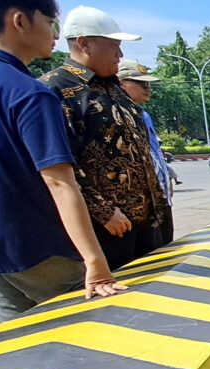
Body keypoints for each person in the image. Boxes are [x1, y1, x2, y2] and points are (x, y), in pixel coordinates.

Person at [0, 0, 125, 323]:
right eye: (49, 22)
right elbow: (59, 183)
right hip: (43, 252)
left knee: (19, 344)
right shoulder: (29, 93)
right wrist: (95, 263)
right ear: (19, 21)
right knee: (90, 335)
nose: (56, 33)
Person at [40, 6, 165, 269]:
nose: (120, 55)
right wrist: (103, 211)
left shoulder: (113, 88)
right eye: (114, 47)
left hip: (147, 222)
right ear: (84, 44)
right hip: (109, 228)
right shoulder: (55, 89)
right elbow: (59, 166)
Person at [117, 60, 178, 246]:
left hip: (159, 201)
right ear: (121, 83)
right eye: (141, 83)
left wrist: (165, 179)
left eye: (148, 83)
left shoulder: (142, 114)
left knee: (166, 252)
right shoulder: (115, 114)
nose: (147, 87)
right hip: (137, 208)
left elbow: (153, 153)